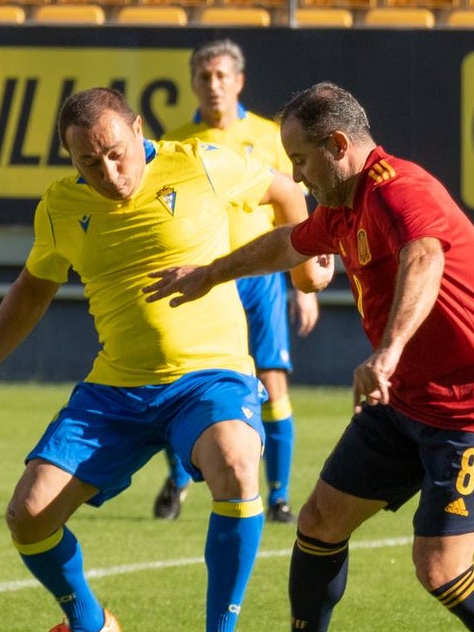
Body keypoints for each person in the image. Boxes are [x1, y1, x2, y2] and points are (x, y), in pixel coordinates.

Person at [144, 82, 474, 632]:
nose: (295, 173)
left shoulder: (402, 188)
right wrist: (211, 272)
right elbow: (287, 243)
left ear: (338, 145)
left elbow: (426, 256)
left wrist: (391, 350)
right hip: (403, 396)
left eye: (301, 158)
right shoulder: (343, 209)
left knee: (440, 565)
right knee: (319, 519)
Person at [0, 87, 322, 632]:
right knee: (28, 517)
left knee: (237, 464)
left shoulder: (201, 161)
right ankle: (89, 626)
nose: (108, 172)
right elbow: (32, 289)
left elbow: (286, 191)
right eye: (88, 162)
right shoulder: (59, 207)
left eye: (116, 153)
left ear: (137, 129)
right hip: (117, 389)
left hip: (210, 376)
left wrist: (305, 266)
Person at [153, 39, 323, 525]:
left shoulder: (270, 136)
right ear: (193, 83)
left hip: (260, 279)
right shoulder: (176, 143)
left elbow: (298, 208)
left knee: (272, 379)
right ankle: (180, 477)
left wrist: (301, 282)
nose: (213, 86)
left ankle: (280, 494)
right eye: (204, 77)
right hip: (200, 278)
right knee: (176, 377)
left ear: (239, 81)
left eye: (221, 76)